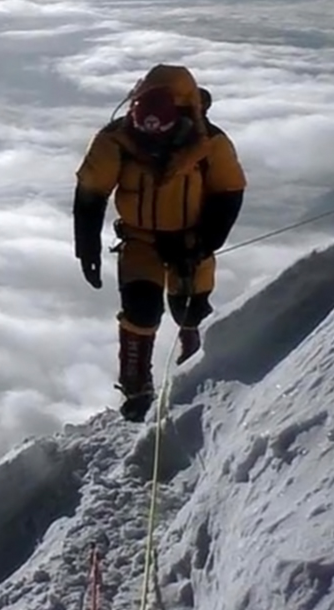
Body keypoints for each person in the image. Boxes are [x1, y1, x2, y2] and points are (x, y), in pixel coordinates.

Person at [73, 64, 247, 421]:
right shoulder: (116, 141)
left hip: (191, 238)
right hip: (140, 238)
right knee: (141, 308)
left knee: (190, 310)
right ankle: (136, 388)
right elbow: (91, 192)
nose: (151, 143)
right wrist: (86, 246)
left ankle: (194, 368)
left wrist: (204, 244)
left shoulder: (209, 144)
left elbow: (228, 194)